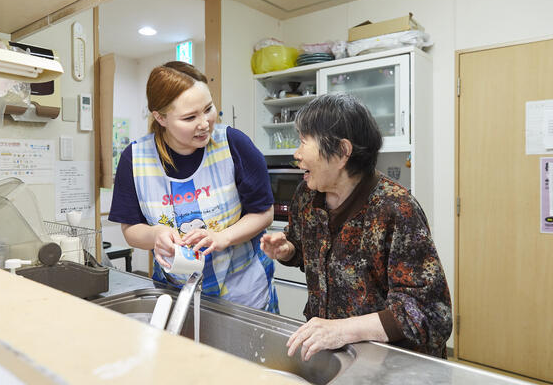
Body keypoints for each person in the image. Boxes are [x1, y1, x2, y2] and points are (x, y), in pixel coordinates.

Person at [261, 93, 452, 359]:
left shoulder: (395, 208)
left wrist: (343, 330)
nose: (297, 154)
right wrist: (289, 250)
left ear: (341, 152)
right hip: (333, 353)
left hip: (389, 361)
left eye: (304, 142)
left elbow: (431, 314)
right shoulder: (307, 195)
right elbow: (308, 252)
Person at [109, 61, 278, 312]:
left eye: (208, 109)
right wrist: (156, 235)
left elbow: (264, 212)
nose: (204, 123)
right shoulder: (135, 159)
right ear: (160, 117)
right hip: (176, 295)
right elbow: (130, 229)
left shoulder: (233, 144)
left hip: (243, 296)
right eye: (190, 117)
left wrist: (223, 237)